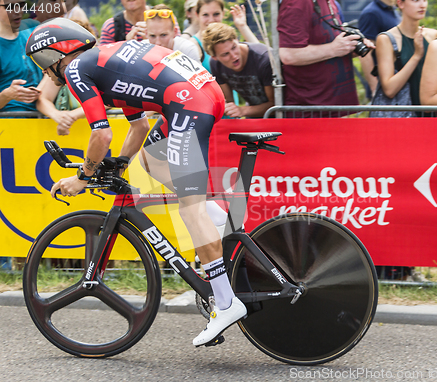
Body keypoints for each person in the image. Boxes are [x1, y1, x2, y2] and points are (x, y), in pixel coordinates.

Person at [26, 17, 247, 346]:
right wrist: (122, 163)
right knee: (151, 160)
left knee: (190, 209)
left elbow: (101, 134)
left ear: (62, 51)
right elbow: (140, 128)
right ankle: (216, 215)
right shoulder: (105, 62)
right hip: (197, 95)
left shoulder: (76, 70)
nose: (46, 70)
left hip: (187, 103)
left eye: (45, 60)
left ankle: (226, 302)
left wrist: (83, 177)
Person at [277, 0, 374, 113]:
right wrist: (333, 49)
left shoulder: (330, 2)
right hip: (311, 112)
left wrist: (349, 47)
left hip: (335, 109)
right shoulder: (297, 2)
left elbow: (326, 46)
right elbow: (289, 54)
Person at [375, 0, 437, 114]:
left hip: (433, 115)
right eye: (415, 0)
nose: (422, 5)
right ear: (400, 3)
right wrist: (416, 56)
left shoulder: (433, 35)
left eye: (424, 0)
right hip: (403, 118)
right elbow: (389, 89)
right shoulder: (386, 39)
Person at [36, 19, 96, 135]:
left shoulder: (96, 63)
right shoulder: (58, 68)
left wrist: (73, 115)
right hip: (70, 135)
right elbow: (42, 99)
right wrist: (58, 116)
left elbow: (108, 100)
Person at [203, 22, 274, 118]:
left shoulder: (263, 59)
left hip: (281, 116)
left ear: (237, 40)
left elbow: (275, 105)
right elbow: (228, 101)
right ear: (214, 57)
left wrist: (242, 110)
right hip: (252, 115)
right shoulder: (216, 64)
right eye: (225, 54)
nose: (234, 56)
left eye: (234, 47)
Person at [190, 0, 258, 72]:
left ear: (223, 13)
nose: (211, 20)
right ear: (197, 15)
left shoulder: (228, 36)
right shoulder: (192, 45)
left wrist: (242, 26)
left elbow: (260, 54)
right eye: (205, 15)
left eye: (216, 14)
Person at [0, 0, 42, 113]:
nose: (18, 11)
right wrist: (7, 95)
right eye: (10, 7)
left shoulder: (32, 31)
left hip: (44, 119)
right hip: (9, 121)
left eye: (21, 5)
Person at [358, 0, 401, 97]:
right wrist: (374, 88)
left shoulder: (393, 8)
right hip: (382, 86)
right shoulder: (371, 13)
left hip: (398, 81)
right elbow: (365, 53)